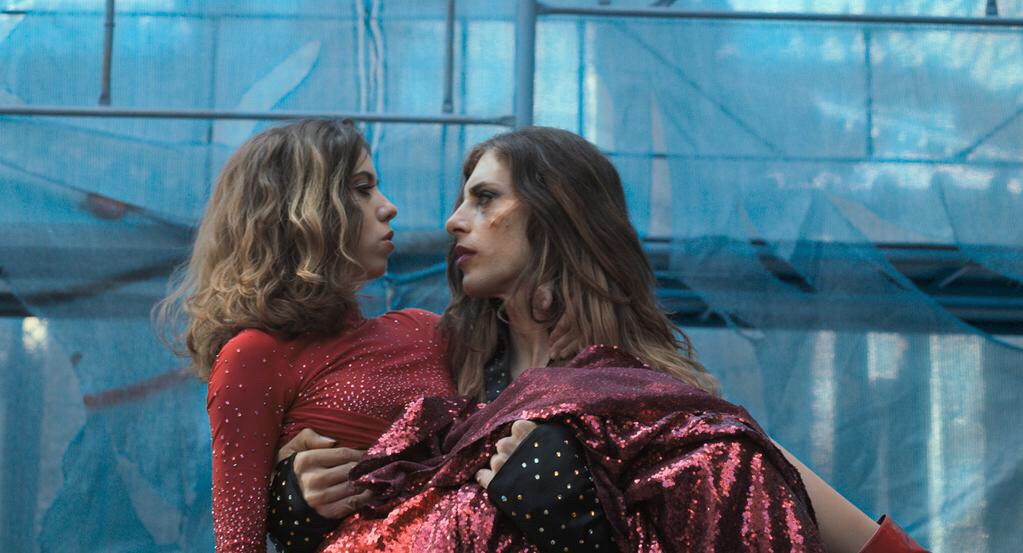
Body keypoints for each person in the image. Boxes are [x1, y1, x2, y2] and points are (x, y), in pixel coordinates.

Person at [274, 127, 926, 552]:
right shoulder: (434, 366)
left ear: (556, 214)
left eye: (484, 198)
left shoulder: (654, 396)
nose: (452, 221)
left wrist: (589, 532)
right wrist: (298, 504)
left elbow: (844, 535)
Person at [157, 119, 459, 552]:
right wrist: (289, 497)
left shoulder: (425, 331)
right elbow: (239, 543)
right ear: (301, 210)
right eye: (362, 189)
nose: (389, 207)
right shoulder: (254, 355)